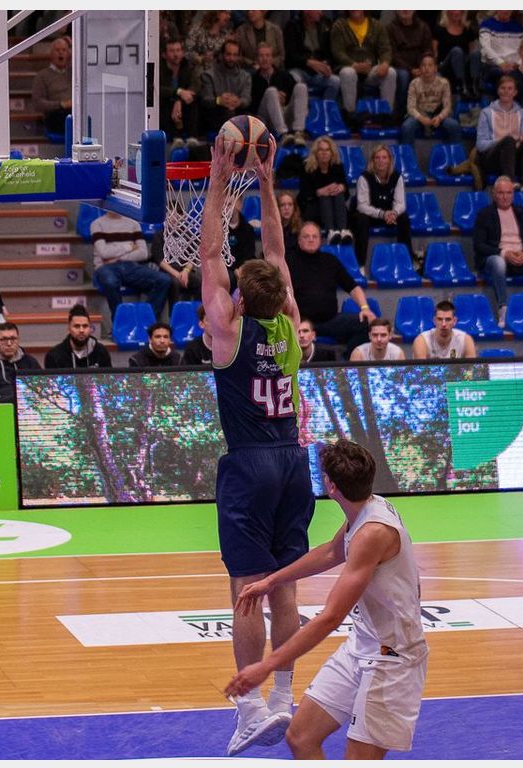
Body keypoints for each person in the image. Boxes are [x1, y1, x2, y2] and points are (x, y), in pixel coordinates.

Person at [200, 135, 314, 756]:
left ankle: (249, 708)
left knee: (247, 586)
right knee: (285, 585)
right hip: (294, 461)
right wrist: (266, 182)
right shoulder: (290, 324)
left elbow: (209, 250)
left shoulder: (229, 329)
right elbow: (275, 250)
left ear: (241, 296)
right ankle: (285, 697)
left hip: (249, 463)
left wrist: (221, 176)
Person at [226, 439, 427, 760]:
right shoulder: (366, 508)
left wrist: (266, 666)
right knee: (301, 736)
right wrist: (271, 581)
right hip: (362, 645)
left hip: (393, 659)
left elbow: (330, 617)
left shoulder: (372, 534)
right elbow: (332, 552)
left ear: (331, 487)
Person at [473, 176, 523, 325]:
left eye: (509, 193)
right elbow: (479, 245)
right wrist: (504, 253)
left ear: (513, 194)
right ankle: (503, 309)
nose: (505, 197)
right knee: (498, 262)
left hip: (521, 257)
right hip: (497, 258)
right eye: (501, 193)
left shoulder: (520, 212)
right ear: (494, 194)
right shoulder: (484, 214)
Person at [288, 223, 375, 354]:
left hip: (330, 320)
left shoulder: (330, 261)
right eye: (306, 236)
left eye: (314, 236)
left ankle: (346, 360)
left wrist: (365, 308)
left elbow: (352, 287)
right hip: (299, 322)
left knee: (366, 324)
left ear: (320, 240)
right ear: (299, 240)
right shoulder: (289, 261)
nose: (311, 239)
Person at [89, 210, 171, 329]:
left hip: (130, 266)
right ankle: (120, 323)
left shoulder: (133, 223)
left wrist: (118, 258)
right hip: (105, 267)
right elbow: (104, 253)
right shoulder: (97, 224)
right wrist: (129, 247)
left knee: (164, 279)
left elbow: (143, 253)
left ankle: (146, 322)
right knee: (110, 282)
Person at [351, 144, 413, 270]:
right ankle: (360, 265)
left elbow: (401, 203)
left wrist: (394, 213)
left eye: (384, 157)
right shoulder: (364, 178)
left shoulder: (397, 177)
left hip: (389, 216)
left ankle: (406, 262)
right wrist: (382, 214)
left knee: (404, 218)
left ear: (390, 160)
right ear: (372, 161)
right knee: (362, 219)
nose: (381, 161)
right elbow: (362, 206)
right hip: (370, 215)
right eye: (377, 158)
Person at [330, 10, 397, 114]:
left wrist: (385, 63)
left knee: (390, 72)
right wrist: (353, 65)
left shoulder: (376, 25)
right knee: (347, 73)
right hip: (348, 67)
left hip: (370, 70)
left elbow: (385, 50)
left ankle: (386, 114)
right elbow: (337, 51)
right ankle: (350, 115)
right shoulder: (339, 26)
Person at [475, 76, 523, 186]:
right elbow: (480, 145)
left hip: (514, 159)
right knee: (508, 140)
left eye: (510, 88)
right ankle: (510, 182)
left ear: (515, 92)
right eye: (503, 88)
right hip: (493, 159)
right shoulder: (486, 113)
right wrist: (502, 141)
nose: (506, 91)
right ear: (498, 91)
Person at [252, 42, 309, 146]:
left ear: (272, 58)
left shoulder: (283, 74)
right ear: (256, 59)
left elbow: (297, 98)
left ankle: (299, 132)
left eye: (267, 55)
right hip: (265, 119)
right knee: (271, 92)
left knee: (301, 87)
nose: (264, 59)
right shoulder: (253, 79)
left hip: (286, 115)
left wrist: (284, 100)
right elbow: (252, 106)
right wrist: (272, 99)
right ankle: (283, 135)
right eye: (261, 56)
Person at [298, 136, 350, 246]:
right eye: (321, 150)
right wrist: (319, 192)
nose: (324, 153)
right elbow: (302, 196)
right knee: (325, 195)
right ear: (315, 153)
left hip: (336, 209)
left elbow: (347, 195)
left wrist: (342, 187)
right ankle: (331, 232)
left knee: (338, 192)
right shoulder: (307, 167)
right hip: (314, 209)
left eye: (327, 150)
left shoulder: (337, 166)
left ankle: (343, 231)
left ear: (332, 152)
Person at [401, 53, 459, 145]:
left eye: (430, 65)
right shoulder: (414, 83)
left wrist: (439, 117)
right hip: (420, 114)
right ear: (420, 68)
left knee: (454, 125)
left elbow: (447, 107)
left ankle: (454, 153)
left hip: (437, 114)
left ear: (435, 68)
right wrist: (422, 118)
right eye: (423, 65)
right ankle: (408, 153)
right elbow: (410, 108)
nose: (426, 68)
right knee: (406, 127)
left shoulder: (444, 83)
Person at [284, 11, 340, 102]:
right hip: (299, 69)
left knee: (335, 81)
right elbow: (290, 55)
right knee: (295, 81)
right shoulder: (293, 26)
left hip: (317, 72)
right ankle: (301, 109)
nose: (321, 12)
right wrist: (309, 62)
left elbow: (329, 53)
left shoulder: (325, 25)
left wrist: (327, 65)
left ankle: (324, 108)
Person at [388, 10, 433, 113]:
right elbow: (393, 55)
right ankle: (401, 113)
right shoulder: (390, 28)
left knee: (436, 75)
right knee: (404, 75)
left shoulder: (423, 27)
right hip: (400, 67)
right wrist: (411, 70)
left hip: (421, 66)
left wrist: (423, 67)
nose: (406, 9)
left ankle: (432, 113)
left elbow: (428, 50)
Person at [159, 37, 201, 147]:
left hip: (183, 104)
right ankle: (175, 138)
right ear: (164, 54)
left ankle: (192, 137)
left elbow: (196, 86)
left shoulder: (187, 66)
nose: (176, 54)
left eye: (178, 50)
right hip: (165, 106)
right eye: (172, 51)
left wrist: (179, 101)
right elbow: (157, 89)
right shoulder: (159, 68)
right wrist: (178, 92)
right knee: (165, 102)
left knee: (192, 100)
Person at [201, 40, 252, 127]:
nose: (231, 58)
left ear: (239, 57)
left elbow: (247, 99)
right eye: (228, 54)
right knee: (229, 113)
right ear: (222, 55)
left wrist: (238, 102)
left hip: (238, 112)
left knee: (259, 120)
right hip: (216, 114)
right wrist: (219, 100)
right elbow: (206, 100)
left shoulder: (245, 76)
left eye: (235, 55)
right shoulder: (209, 75)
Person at [44, 305, 113, 369]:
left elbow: (109, 377)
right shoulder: (54, 356)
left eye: (85, 326)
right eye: (77, 326)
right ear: (69, 328)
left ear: (90, 328)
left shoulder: (101, 352)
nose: (81, 330)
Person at [433, 10, 479, 100]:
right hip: (445, 65)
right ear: (447, 12)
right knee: (456, 51)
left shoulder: (467, 30)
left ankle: (474, 86)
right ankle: (461, 86)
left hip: (462, 65)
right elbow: (434, 52)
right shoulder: (439, 29)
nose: (456, 12)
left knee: (476, 53)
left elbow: (471, 52)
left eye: (459, 10)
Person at [32, 36, 72, 137]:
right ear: (51, 54)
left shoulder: (73, 74)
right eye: (57, 50)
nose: (61, 53)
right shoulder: (42, 76)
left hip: (74, 112)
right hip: (55, 115)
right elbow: (38, 103)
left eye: (64, 50)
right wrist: (61, 104)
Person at [411, 299, 476, 359]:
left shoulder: (465, 340)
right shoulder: (422, 341)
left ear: (454, 321)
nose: (443, 324)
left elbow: (472, 367)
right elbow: (420, 367)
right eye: (440, 319)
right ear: (434, 321)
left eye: (448, 319)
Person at [477, 10, 523, 88]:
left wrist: (517, 63)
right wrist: (501, 63)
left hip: (515, 65)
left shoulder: (518, 26)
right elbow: (486, 48)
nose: (506, 10)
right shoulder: (486, 24)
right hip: (494, 65)